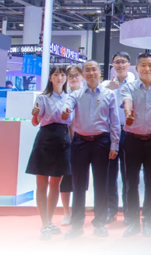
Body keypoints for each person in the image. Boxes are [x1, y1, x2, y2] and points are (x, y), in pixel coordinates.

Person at [61, 60, 119, 239]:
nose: (91, 73)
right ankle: (76, 224)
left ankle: (99, 223)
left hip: (102, 142)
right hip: (80, 143)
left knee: (101, 184)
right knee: (78, 185)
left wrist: (114, 145)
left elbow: (115, 122)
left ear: (100, 72)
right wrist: (65, 111)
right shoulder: (75, 94)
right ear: (83, 74)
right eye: (87, 70)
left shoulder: (109, 94)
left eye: (94, 69)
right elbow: (67, 107)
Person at [120, 52, 151, 237]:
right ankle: (133, 222)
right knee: (131, 182)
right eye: (143, 65)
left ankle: (147, 220)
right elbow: (127, 102)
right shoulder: (128, 87)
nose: (147, 69)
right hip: (132, 140)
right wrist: (129, 114)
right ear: (136, 68)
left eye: (150, 65)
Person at [25, 66, 70, 240]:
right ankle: (44, 224)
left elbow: (72, 124)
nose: (59, 77)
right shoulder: (42, 97)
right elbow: (35, 122)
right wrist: (34, 115)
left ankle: (49, 221)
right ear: (50, 78)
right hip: (45, 139)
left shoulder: (70, 98)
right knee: (42, 183)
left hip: (63, 140)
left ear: (65, 78)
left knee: (56, 184)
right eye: (56, 74)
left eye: (62, 74)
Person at [101, 51, 133, 224]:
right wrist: (108, 89)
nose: (120, 65)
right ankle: (110, 210)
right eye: (117, 62)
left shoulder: (135, 83)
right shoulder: (104, 85)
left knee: (129, 175)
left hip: (129, 132)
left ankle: (129, 212)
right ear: (112, 65)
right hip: (109, 133)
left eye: (123, 62)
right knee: (109, 174)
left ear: (129, 64)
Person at [58, 65, 82, 227]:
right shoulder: (63, 96)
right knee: (65, 178)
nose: (73, 78)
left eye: (76, 75)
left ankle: (78, 210)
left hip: (83, 141)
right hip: (65, 142)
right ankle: (67, 212)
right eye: (70, 76)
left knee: (80, 179)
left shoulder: (86, 95)